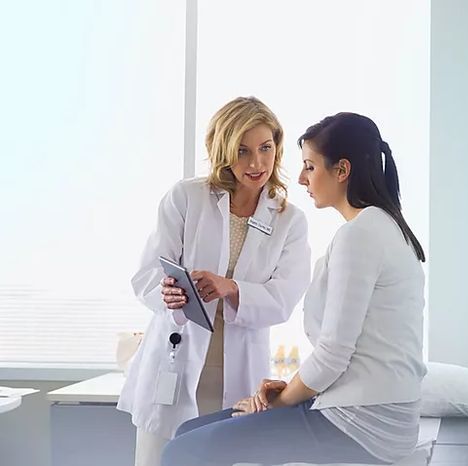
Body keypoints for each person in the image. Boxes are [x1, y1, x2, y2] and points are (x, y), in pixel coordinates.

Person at [162, 112, 427, 466]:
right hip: (369, 411)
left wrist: (283, 401)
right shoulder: (387, 228)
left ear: (342, 171)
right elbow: (358, 350)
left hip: (362, 425)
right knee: (188, 433)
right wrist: (290, 389)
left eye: (310, 167)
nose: (301, 178)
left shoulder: (359, 235)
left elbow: (335, 351)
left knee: (184, 450)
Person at [117, 96, 311, 466]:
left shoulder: (289, 220)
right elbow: (145, 275)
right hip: (177, 359)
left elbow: (284, 298)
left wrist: (232, 288)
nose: (256, 163)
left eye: (265, 148)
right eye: (242, 150)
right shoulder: (187, 197)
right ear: (223, 150)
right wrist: (168, 293)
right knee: (160, 458)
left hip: (237, 367)